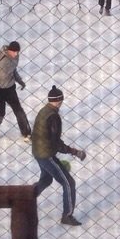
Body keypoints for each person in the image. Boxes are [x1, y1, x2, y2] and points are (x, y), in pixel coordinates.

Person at [30, 86, 86, 226]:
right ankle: (67, 215)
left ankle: (26, 198)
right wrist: (74, 151)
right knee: (68, 183)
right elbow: (56, 142)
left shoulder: (44, 111)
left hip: (38, 151)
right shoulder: (53, 116)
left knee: (46, 180)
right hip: (46, 154)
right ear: (59, 100)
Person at [0, 41, 29, 139]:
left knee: (19, 111)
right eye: (14, 52)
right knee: (0, 113)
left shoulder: (16, 58)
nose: (16, 54)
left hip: (10, 89)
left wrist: (20, 81)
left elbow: (13, 70)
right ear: (9, 50)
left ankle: (26, 134)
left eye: (18, 52)